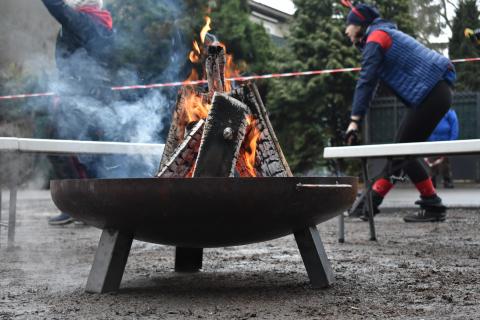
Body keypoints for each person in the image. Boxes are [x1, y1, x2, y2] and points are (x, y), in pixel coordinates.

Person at [342, 2, 456, 222]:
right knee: (403, 152)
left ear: (359, 25)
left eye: (349, 25)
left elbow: (366, 81)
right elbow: (372, 82)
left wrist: (354, 121)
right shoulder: (379, 35)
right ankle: (428, 203)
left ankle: (371, 203)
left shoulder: (377, 37)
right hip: (433, 94)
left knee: (401, 152)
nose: (346, 31)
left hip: (432, 93)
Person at [41, 0, 115, 225]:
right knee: (86, 153)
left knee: (60, 146)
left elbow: (56, 7)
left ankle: (77, 206)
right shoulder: (101, 22)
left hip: (81, 95)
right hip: (92, 93)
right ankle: (89, 208)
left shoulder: (83, 21)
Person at [424, 109, 459, 189]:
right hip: (431, 141)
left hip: (445, 141)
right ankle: (432, 181)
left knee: (445, 162)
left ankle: (447, 180)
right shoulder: (429, 112)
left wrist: (452, 141)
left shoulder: (450, 112)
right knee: (432, 162)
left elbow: (454, 126)